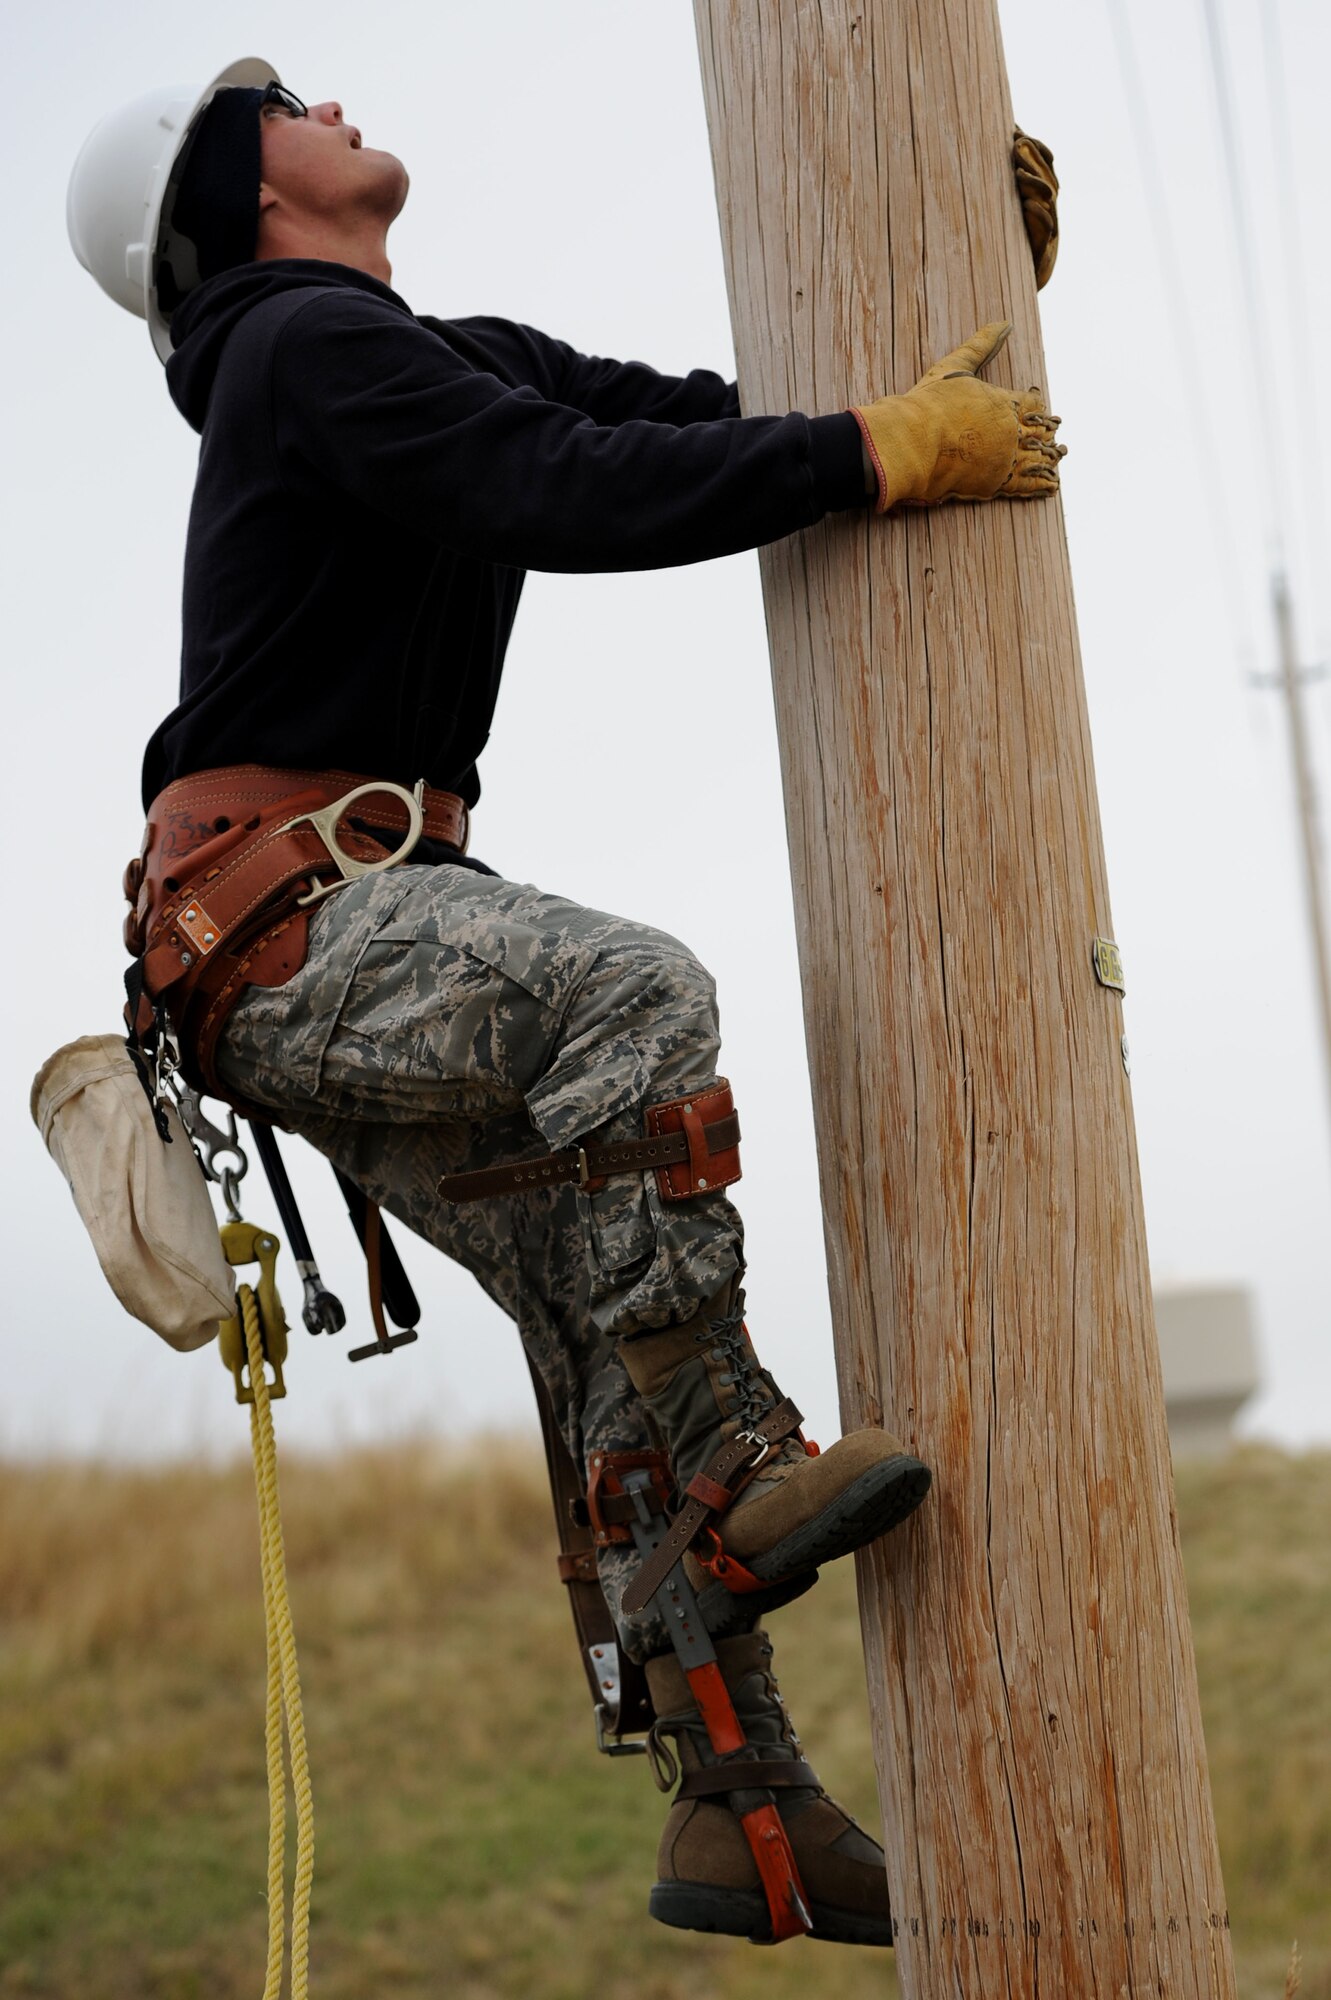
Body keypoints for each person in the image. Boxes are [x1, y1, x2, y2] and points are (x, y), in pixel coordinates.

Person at [68, 61, 1063, 1950]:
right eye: (280, 99)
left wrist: (964, 273)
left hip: (327, 929)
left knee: (596, 1320)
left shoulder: (421, 354)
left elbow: (713, 424)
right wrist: (877, 454)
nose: (326, 97)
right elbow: (574, 486)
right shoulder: (299, 349)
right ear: (242, 200)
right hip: (289, 925)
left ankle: (735, 1813)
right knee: (633, 992)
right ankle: (742, 1457)